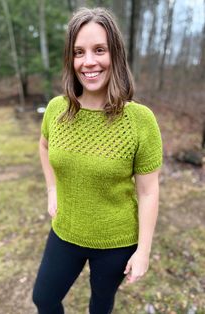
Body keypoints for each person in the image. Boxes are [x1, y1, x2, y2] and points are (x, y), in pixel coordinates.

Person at [32, 7, 163, 314]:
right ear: (70, 59)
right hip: (66, 229)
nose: (88, 61)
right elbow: (43, 145)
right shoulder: (56, 109)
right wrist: (52, 189)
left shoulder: (140, 120)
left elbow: (148, 191)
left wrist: (143, 251)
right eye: (79, 52)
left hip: (116, 241)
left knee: (100, 306)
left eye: (99, 50)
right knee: (44, 299)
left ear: (114, 54)